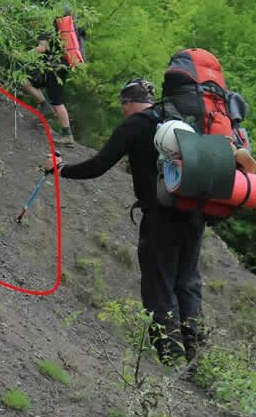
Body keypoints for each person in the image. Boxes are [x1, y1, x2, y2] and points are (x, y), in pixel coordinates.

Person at [43, 77, 206, 365]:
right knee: (187, 283)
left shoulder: (135, 125)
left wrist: (61, 169)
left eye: (123, 107)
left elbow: (98, 165)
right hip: (194, 214)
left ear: (128, 103)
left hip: (160, 219)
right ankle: (197, 355)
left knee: (160, 286)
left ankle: (171, 359)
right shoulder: (181, 121)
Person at [21, 30, 75, 145]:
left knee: (57, 102)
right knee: (26, 81)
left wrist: (23, 55)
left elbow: (41, 48)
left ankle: (68, 136)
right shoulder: (60, 28)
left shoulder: (48, 27)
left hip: (54, 70)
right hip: (55, 68)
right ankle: (45, 106)